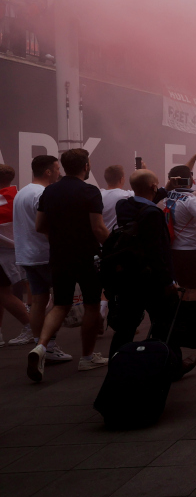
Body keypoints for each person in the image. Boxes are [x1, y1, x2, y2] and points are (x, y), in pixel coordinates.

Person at [27, 149, 111, 381]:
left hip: (59, 256)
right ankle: (86, 358)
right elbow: (98, 228)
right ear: (85, 166)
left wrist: (59, 239)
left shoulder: (50, 191)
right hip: (87, 256)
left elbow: (40, 226)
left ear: (64, 166)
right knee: (92, 305)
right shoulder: (90, 191)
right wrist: (113, 247)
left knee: (60, 304)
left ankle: (41, 347)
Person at [105, 169, 196, 377]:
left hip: (129, 276)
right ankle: (173, 365)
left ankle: (115, 367)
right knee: (165, 324)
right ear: (153, 187)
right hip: (152, 279)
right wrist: (168, 282)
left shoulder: (124, 206)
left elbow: (143, 198)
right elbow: (159, 252)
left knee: (126, 327)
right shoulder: (153, 215)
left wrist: (164, 188)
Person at [162, 164, 196, 348]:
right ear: (190, 180)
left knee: (182, 290)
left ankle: (182, 329)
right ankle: (195, 333)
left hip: (174, 250)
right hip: (192, 251)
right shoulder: (191, 199)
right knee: (194, 291)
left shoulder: (167, 196)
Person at [13, 156, 63, 354]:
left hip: (27, 256)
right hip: (45, 255)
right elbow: (49, 226)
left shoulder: (21, 193)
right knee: (61, 303)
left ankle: (39, 345)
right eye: (57, 169)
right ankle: (47, 347)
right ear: (48, 172)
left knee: (39, 302)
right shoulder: (43, 193)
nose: (60, 172)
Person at [0, 164, 32, 347]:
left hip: (5, 255)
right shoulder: (18, 197)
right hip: (16, 252)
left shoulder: (4, 199)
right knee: (2, 293)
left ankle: (30, 327)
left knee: (3, 293)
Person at [100, 165, 133, 231]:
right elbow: (145, 191)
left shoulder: (98, 196)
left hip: (101, 238)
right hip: (117, 239)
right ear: (121, 179)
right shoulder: (127, 195)